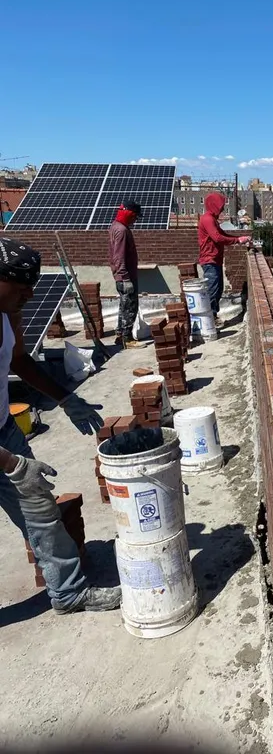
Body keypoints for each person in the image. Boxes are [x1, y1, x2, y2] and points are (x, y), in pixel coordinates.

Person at [0, 237, 121, 613]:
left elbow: (19, 360)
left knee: (40, 511)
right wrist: (12, 464)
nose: (30, 294)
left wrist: (66, 399)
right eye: (20, 286)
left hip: (4, 431)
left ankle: (69, 593)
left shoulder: (7, 312)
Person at [198, 193, 251, 326]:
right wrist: (238, 240)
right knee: (213, 290)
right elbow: (217, 238)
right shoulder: (208, 219)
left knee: (218, 289)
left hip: (215, 260)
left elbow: (222, 234)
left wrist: (239, 239)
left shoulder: (212, 220)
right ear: (214, 205)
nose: (222, 209)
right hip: (209, 260)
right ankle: (210, 320)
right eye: (220, 206)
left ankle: (212, 317)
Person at [109, 199, 144, 348]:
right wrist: (125, 278)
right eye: (135, 217)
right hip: (126, 276)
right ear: (129, 214)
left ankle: (120, 335)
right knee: (130, 307)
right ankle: (127, 339)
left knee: (124, 306)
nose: (135, 220)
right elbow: (119, 256)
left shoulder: (116, 226)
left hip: (122, 275)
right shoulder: (122, 231)